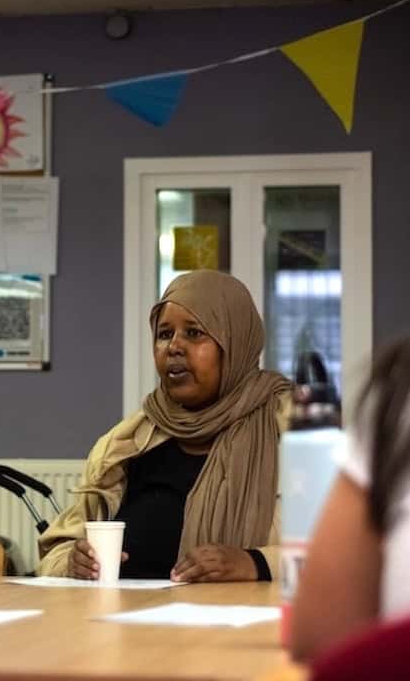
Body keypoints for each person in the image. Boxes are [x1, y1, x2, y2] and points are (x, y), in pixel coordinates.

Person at [37, 269, 292, 582]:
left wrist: (256, 564)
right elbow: (53, 555)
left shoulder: (292, 432)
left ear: (236, 342)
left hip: (245, 626)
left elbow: (350, 557)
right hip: (126, 624)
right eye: (164, 334)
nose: (174, 347)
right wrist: (71, 562)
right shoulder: (126, 444)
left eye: (195, 333)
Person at [291, 338, 410, 660]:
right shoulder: (144, 430)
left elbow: (322, 634)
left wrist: (254, 559)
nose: (174, 347)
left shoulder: (400, 397)